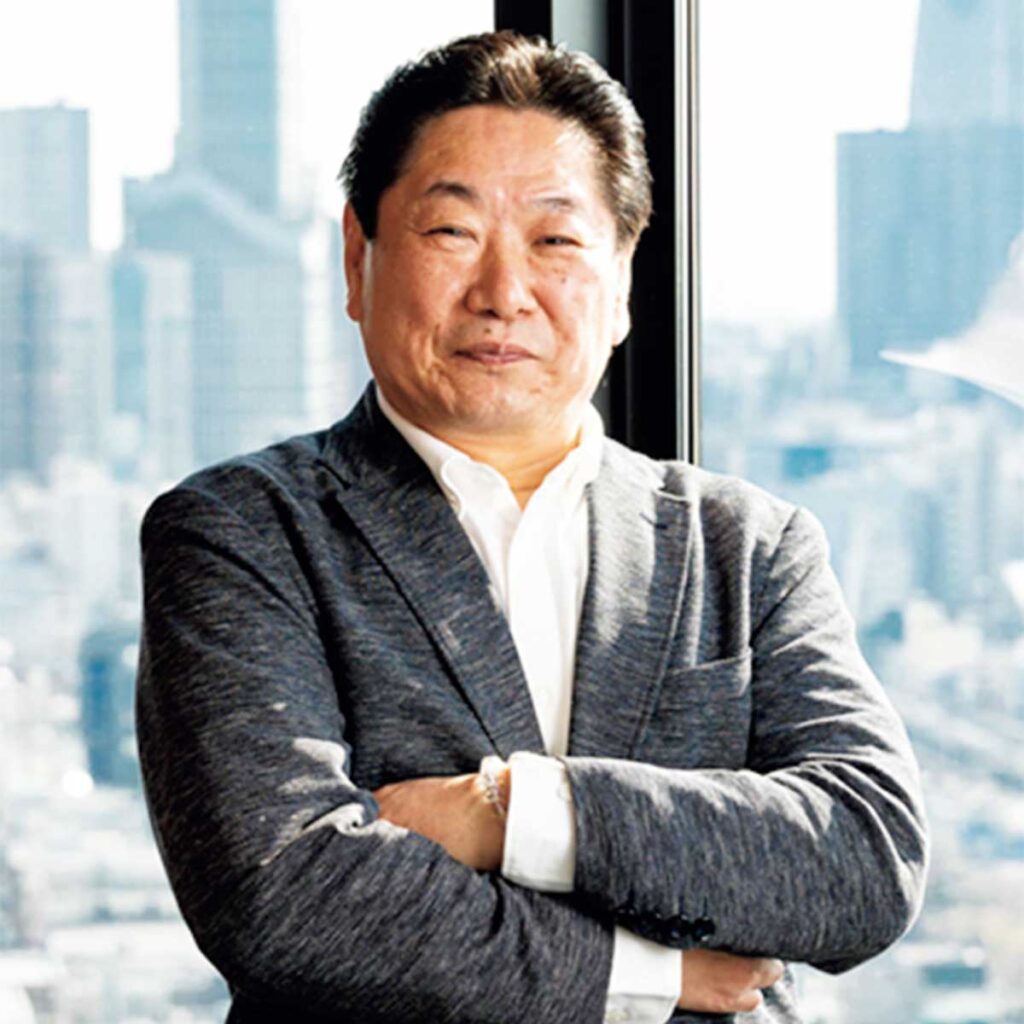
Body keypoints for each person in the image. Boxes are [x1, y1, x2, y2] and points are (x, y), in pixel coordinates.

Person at [135, 30, 928, 1024]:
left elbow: (866, 861)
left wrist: (507, 814)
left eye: (555, 241)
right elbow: (283, 894)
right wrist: (656, 975)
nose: (503, 293)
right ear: (357, 259)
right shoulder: (245, 533)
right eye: (451, 232)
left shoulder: (746, 546)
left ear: (623, 279)